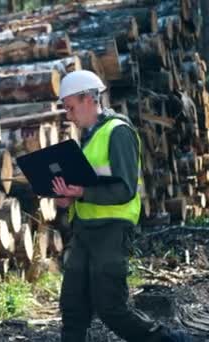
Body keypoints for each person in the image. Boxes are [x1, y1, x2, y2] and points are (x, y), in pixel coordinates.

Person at [52, 70, 193, 342]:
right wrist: (68, 197)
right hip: (84, 231)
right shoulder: (89, 136)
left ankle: (173, 341)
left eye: (70, 107)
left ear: (88, 99)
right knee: (72, 308)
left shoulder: (118, 132)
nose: (69, 115)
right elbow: (90, 186)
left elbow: (125, 189)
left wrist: (81, 191)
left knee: (112, 309)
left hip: (111, 231)